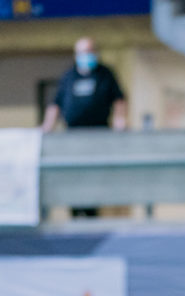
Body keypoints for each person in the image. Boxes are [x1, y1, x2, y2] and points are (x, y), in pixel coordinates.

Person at [41, 37, 127, 218]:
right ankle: (75, 210)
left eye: (89, 51)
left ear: (95, 52)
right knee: (73, 175)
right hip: (73, 136)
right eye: (82, 52)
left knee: (93, 176)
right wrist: (47, 126)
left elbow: (119, 99)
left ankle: (91, 211)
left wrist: (120, 119)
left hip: (98, 134)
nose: (86, 56)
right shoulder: (69, 76)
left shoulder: (105, 74)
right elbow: (56, 104)